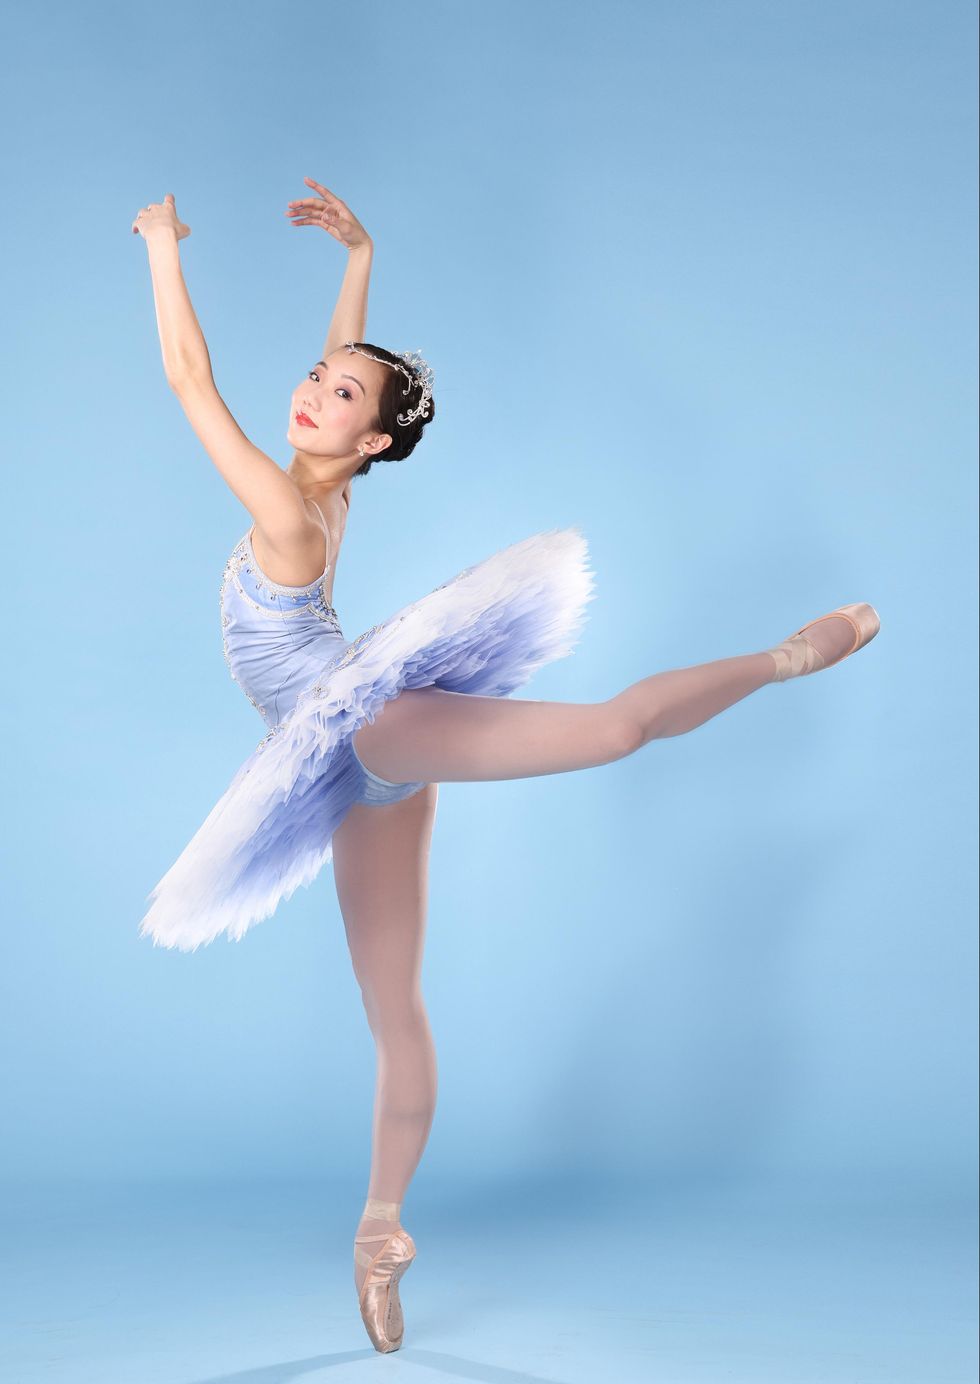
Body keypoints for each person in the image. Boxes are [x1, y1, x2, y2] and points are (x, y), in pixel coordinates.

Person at [131, 180, 880, 1353]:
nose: (313, 388)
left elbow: (187, 379)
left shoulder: (287, 509)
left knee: (611, 731)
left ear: (369, 440)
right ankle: (381, 1230)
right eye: (321, 380)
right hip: (349, 772)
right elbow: (350, 370)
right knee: (395, 1013)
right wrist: (363, 255)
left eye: (338, 393)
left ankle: (785, 656)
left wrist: (162, 250)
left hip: (362, 728)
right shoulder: (324, 485)